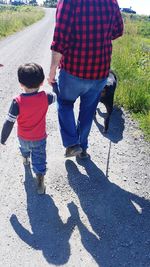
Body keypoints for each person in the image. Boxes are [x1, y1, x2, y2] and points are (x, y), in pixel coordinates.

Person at [48, 0, 124, 159]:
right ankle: (82, 147)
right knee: (88, 111)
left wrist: (52, 71)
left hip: (73, 69)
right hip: (100, 71)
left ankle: (72, 144)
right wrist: (99, 36)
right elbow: (118, 31)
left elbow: (60, 38)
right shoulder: (111, 1)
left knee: (64, 103)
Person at [1, 63, 56, 194]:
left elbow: (9, 122)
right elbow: (56, 95)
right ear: (42, 82)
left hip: (23, 136)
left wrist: (3, 138)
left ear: (21, 83)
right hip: (40, 138)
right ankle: (40, 182)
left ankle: (25, 159)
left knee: (24, 149)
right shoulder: (46, 97)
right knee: (39, 158)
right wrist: (55, 84)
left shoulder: (17, 101)